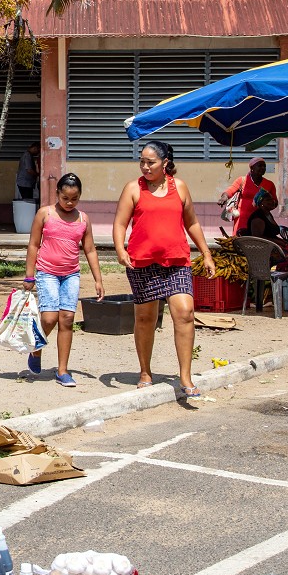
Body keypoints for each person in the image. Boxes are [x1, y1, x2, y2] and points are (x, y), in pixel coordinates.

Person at [113, 141, 212, 400]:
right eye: (142, 161)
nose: (145, 167)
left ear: (165, 162)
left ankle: (185, 376)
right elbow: (120, 223)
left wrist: (206, 253)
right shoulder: (133, 188)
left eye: (151, 162)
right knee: (146, 318)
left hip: (176, 261)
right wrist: (121, 250)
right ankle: (145, 372)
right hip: (142, 263)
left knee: (185, 312)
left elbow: (191, 222)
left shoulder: (179, 187)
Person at [22, 172, 104, 387]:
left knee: (67, 319)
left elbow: (90, 250)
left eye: (74, 199)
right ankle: (36, 350)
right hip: (47, 273)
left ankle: (62, 371)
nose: (69, 202)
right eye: (65, 198)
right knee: (49, 319)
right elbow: (33, 245)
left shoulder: (83, 219)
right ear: (57, 194)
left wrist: (98, 279)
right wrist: (29, 275)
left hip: (71, 275)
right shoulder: (45, 214)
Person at [221, 157, 277, 234]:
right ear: (252, 167)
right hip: (243, 219)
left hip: (260, 220)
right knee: (241, 241)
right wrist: (224, 198)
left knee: (258, 241)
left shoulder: (269, 184)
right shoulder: (242, 180)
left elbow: (275, 202)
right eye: (260, 166)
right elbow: (230, 190)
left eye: (264, 166)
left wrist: (268, 204)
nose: (263, 168)